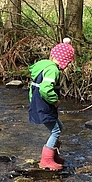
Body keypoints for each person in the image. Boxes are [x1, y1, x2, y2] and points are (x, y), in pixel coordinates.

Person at [28, 38, 75, 171]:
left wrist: (32, 101)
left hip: (39, 103)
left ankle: (53, 154)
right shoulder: (52, 70)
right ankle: (46, 160)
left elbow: (34, 88)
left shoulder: (44, 66)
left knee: (59, 126)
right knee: (55, 130)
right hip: (44, 104)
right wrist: (55, 101)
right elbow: (45, 89)